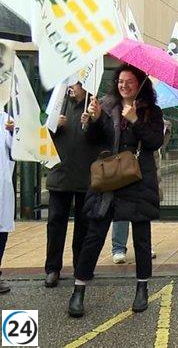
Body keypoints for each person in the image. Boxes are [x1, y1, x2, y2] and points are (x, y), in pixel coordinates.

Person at [69, 64, 165, 318]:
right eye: (120, 80)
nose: (124, 85)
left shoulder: (151, 111)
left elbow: (155, 142)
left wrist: (135, 120)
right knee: (95, 235)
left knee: (142, 238)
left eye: (129, 81)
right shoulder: (107, 104)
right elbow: (93, 140)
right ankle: (78, 290)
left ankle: (142, 289)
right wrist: (93, 119)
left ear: (140, 83)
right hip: (110, 179)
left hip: (138, 179)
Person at [44, 81, 99, 288]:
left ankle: (81, 267)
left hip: (85, 175)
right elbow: (40, 136)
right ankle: (52, 269)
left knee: (83, 225)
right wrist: (52, 125)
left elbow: (102, 136)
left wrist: (93, 121)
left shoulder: (94, 104)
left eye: (76, 83)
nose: (71, 87)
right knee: (56, 223)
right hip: (60, 174)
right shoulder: (57, 103)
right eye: (69, 83)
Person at [110, 120, 169, 265]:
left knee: (143, 208)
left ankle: (144, 247)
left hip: (145, 166)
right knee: (122, 207)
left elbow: (158, 142)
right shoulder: (119, 112)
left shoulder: (151, 114)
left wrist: (163, 128)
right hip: (122, 164)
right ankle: (118, 248)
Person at [0, 115, 14, 294]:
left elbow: (16, 150)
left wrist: (13, 132)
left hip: (2, 184)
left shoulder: (6, 118)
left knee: (1, 230)